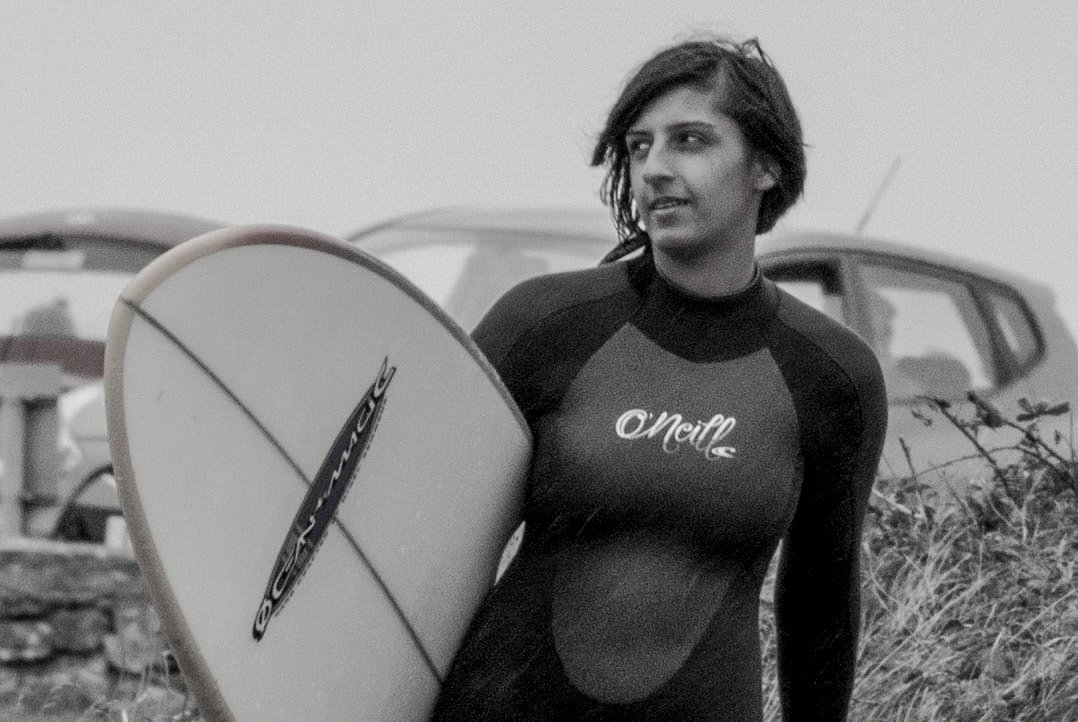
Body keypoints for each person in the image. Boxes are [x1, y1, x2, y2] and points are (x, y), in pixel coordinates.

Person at [433, 35, 887, 721]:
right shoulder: (545, 323)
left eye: (690, 141)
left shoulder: (829, 374)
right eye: (639, 146)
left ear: (764, 164)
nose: (654, 169)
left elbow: (819, 607)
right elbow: (423, 546)